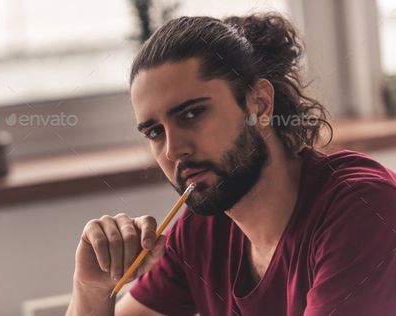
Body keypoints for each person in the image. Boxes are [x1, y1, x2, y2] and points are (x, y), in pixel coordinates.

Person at [66, 13, 396, 316]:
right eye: (154, 132)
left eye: (192, 113)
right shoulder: (201, 231)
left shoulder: (363, 206)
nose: (173, 150)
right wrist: (92, 289)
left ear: (260, 104)